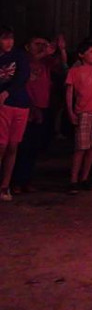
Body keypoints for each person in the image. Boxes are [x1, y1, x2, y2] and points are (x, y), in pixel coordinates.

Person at [12, 34, 67, 192]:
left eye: (44, 43)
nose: (42, 47)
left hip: (43, 106)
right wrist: (46, 52)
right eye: (37, 44)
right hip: (26, 106)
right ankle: (16, 181)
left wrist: (61, 50)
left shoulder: (46, 62)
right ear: (28, 47)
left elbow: (62, 67)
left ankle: (26, 180)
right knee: (22, 145)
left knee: (35, 146)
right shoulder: (23, 59)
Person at [65, 41, 92, 194]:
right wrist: (70, 112)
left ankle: (84, 177)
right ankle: (73, 179)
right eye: (91, 51)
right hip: (84, 111)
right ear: (81, 54)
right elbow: (69, 93)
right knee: (81, 147)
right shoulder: (75, 71)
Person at [0, 26, 30, 201]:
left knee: (13, 145)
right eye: (5, 38)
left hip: (19, 103)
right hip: (4, 106)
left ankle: (5, 185)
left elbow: (22, 75)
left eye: (11, 38)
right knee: (2, 145)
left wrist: (8, 91)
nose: (9, 42)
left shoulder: (18, 55)